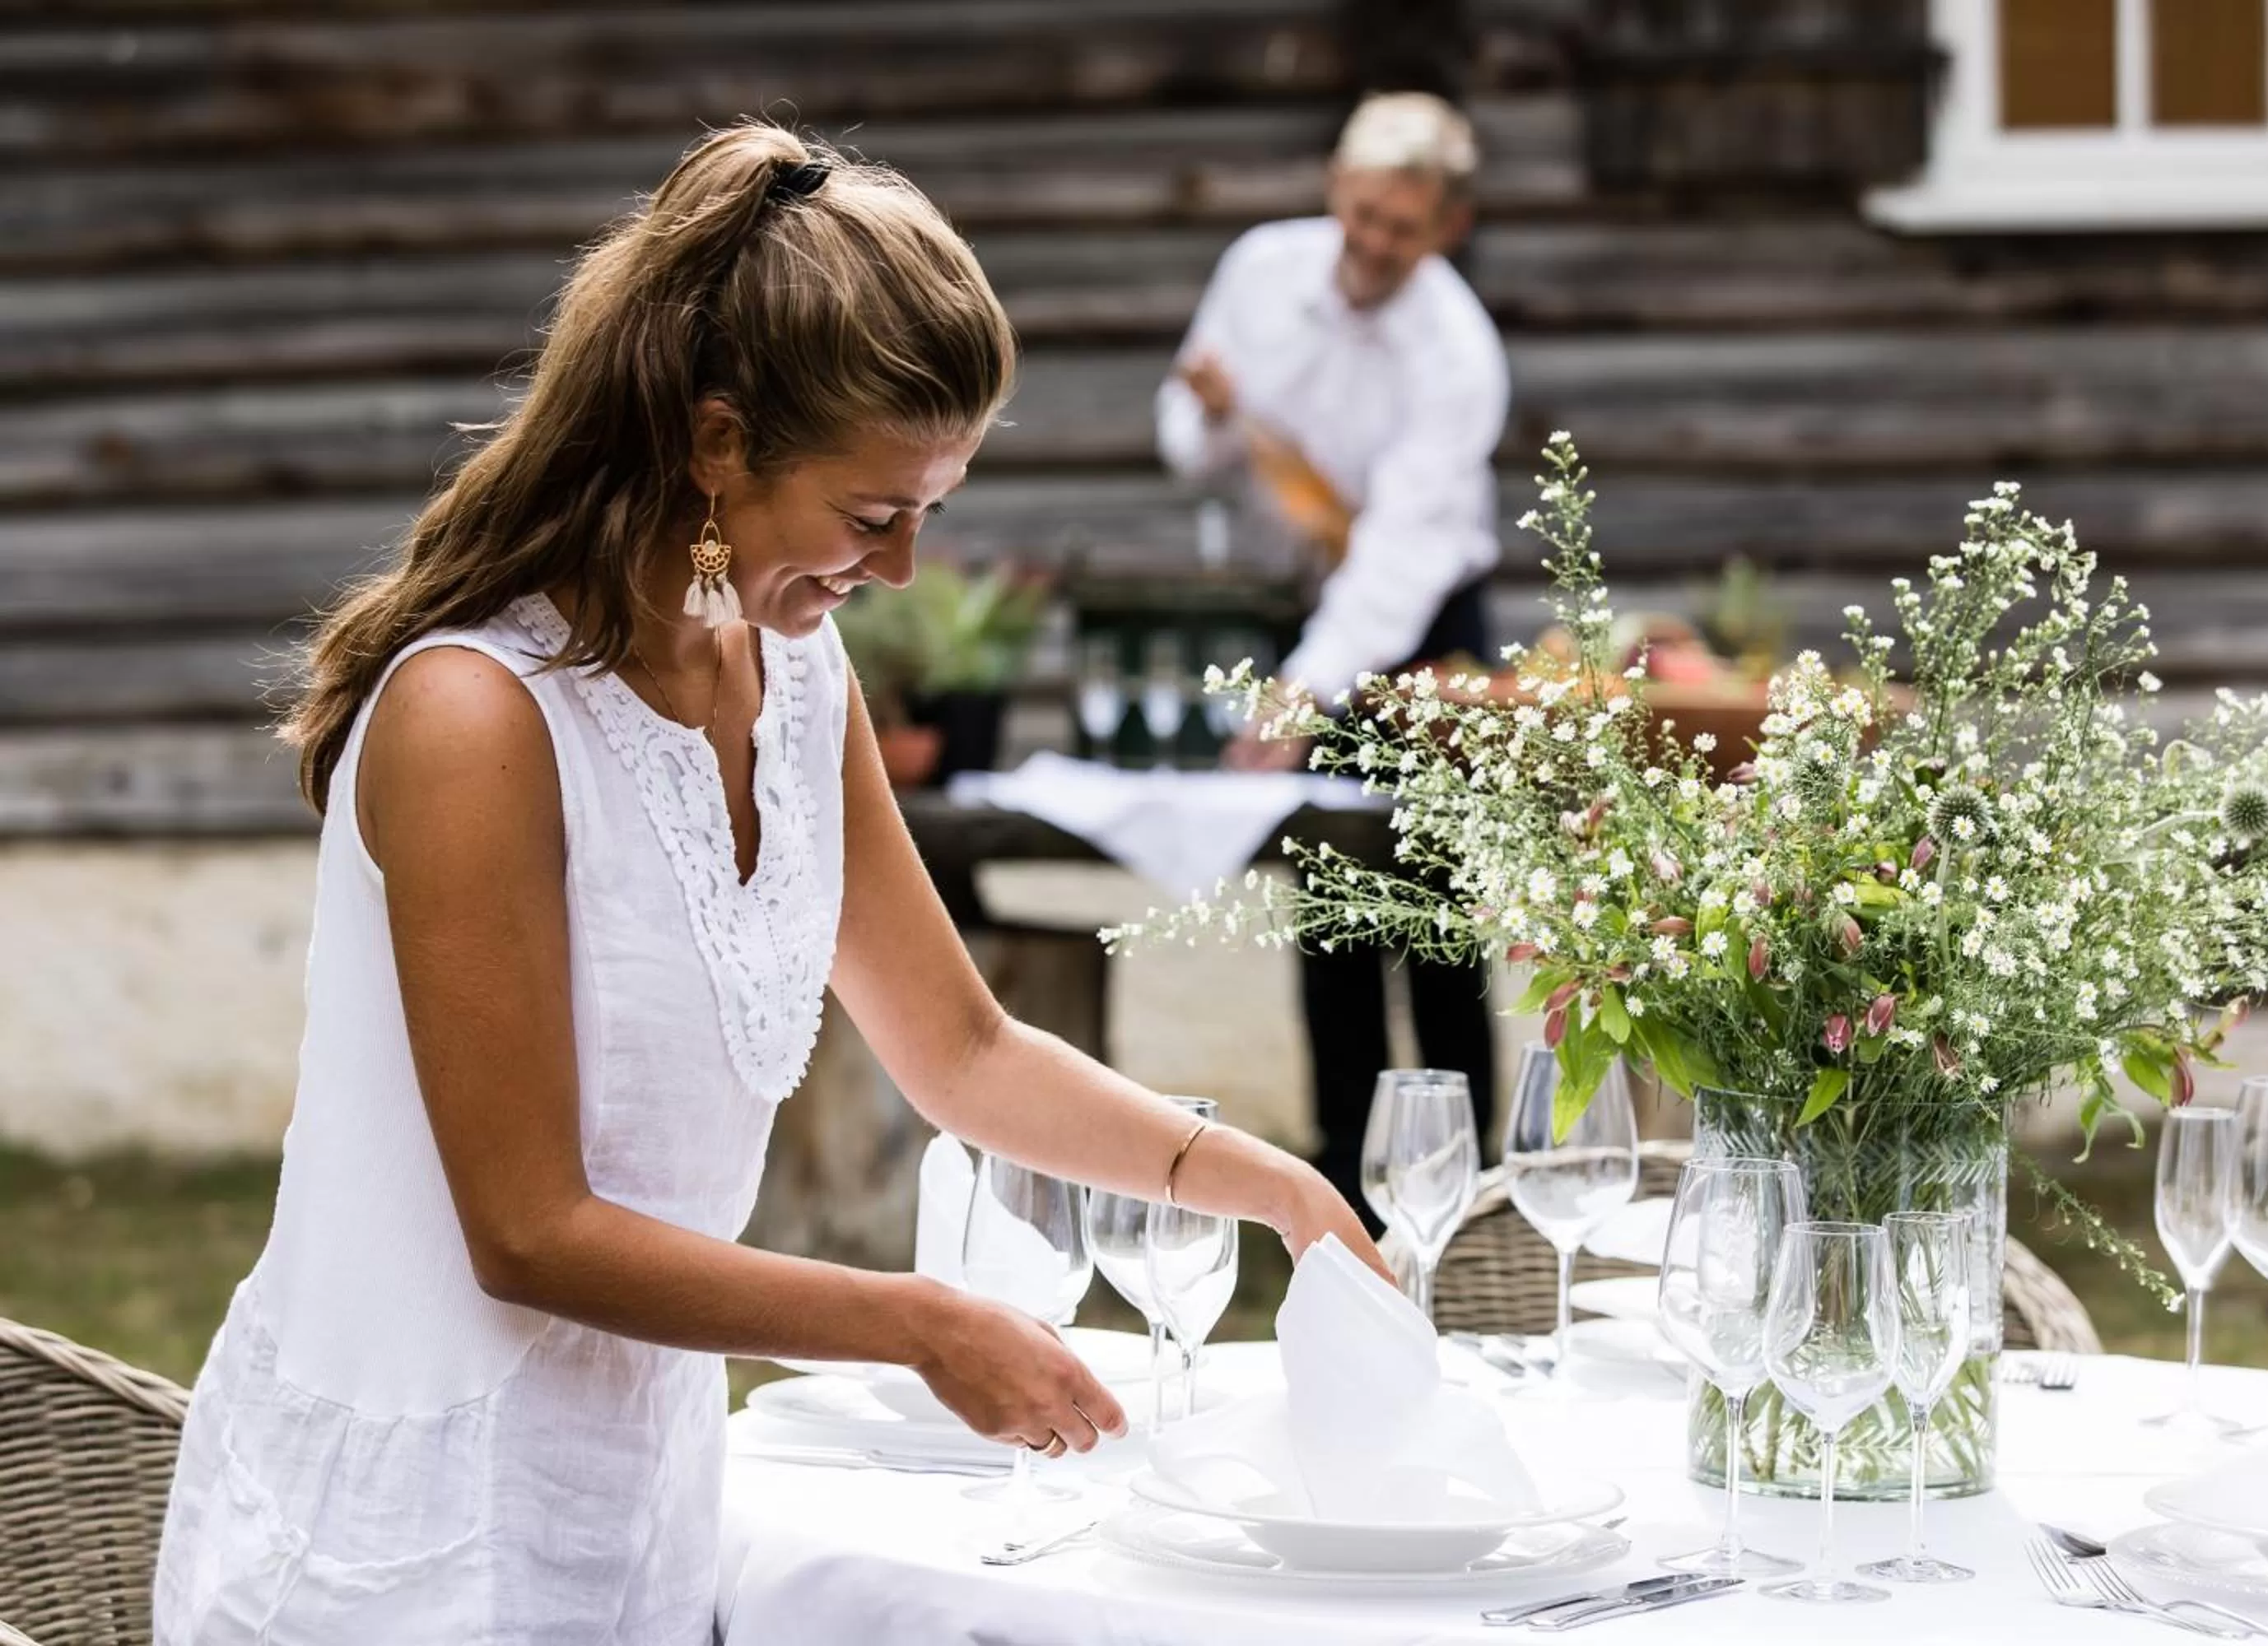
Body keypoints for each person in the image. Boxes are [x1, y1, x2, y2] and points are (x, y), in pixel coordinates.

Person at [151, 123, 1385, 1644]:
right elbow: (528, 1231)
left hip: (640, 1499)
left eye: (934, 510)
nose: (906, 568)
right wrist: (915, 1326)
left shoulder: (796, 679)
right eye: (874, 516)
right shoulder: (477, 718)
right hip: (405, 1536)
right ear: (718, 443)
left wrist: (1269, 1185)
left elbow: (965, 1052)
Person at [1154, 92, 1507, 1220]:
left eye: (1402, 227)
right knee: (1331, 914)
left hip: (1428, 627)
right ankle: (1342, 1198)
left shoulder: (1459, 355)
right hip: (1299, 615)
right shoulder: (1260, 269)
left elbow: (1400, 557)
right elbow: (1187, 443)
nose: (1373, 242)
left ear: (1448, 227)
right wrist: (1214, 416)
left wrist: (1304, 692)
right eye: (1361, 214)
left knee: (1437, 919)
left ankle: (1463, 1201)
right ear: (1335, 190)